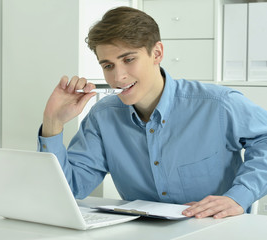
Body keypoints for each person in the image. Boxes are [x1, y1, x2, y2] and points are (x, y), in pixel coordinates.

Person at [37, 6, 267, 219]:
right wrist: (52, 123)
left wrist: (240, 195)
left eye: (128, 59)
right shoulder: (102, 117)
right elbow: (70, 190)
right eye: (108, 66)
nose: (118, 77)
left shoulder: (218, 104)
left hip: (216, 229)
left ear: (157, 53)